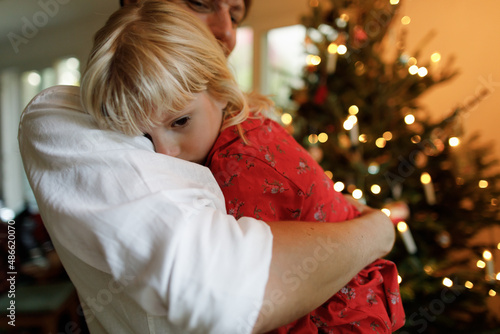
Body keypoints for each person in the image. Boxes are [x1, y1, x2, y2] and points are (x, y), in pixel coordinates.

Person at [18, 1, 396, 333]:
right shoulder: (58, 118)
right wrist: (376, 229)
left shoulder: (245, 160)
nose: (163, 152)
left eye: (180, 122)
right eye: (200, 2)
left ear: (220, 89)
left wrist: (376, 229)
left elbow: (260, 292)